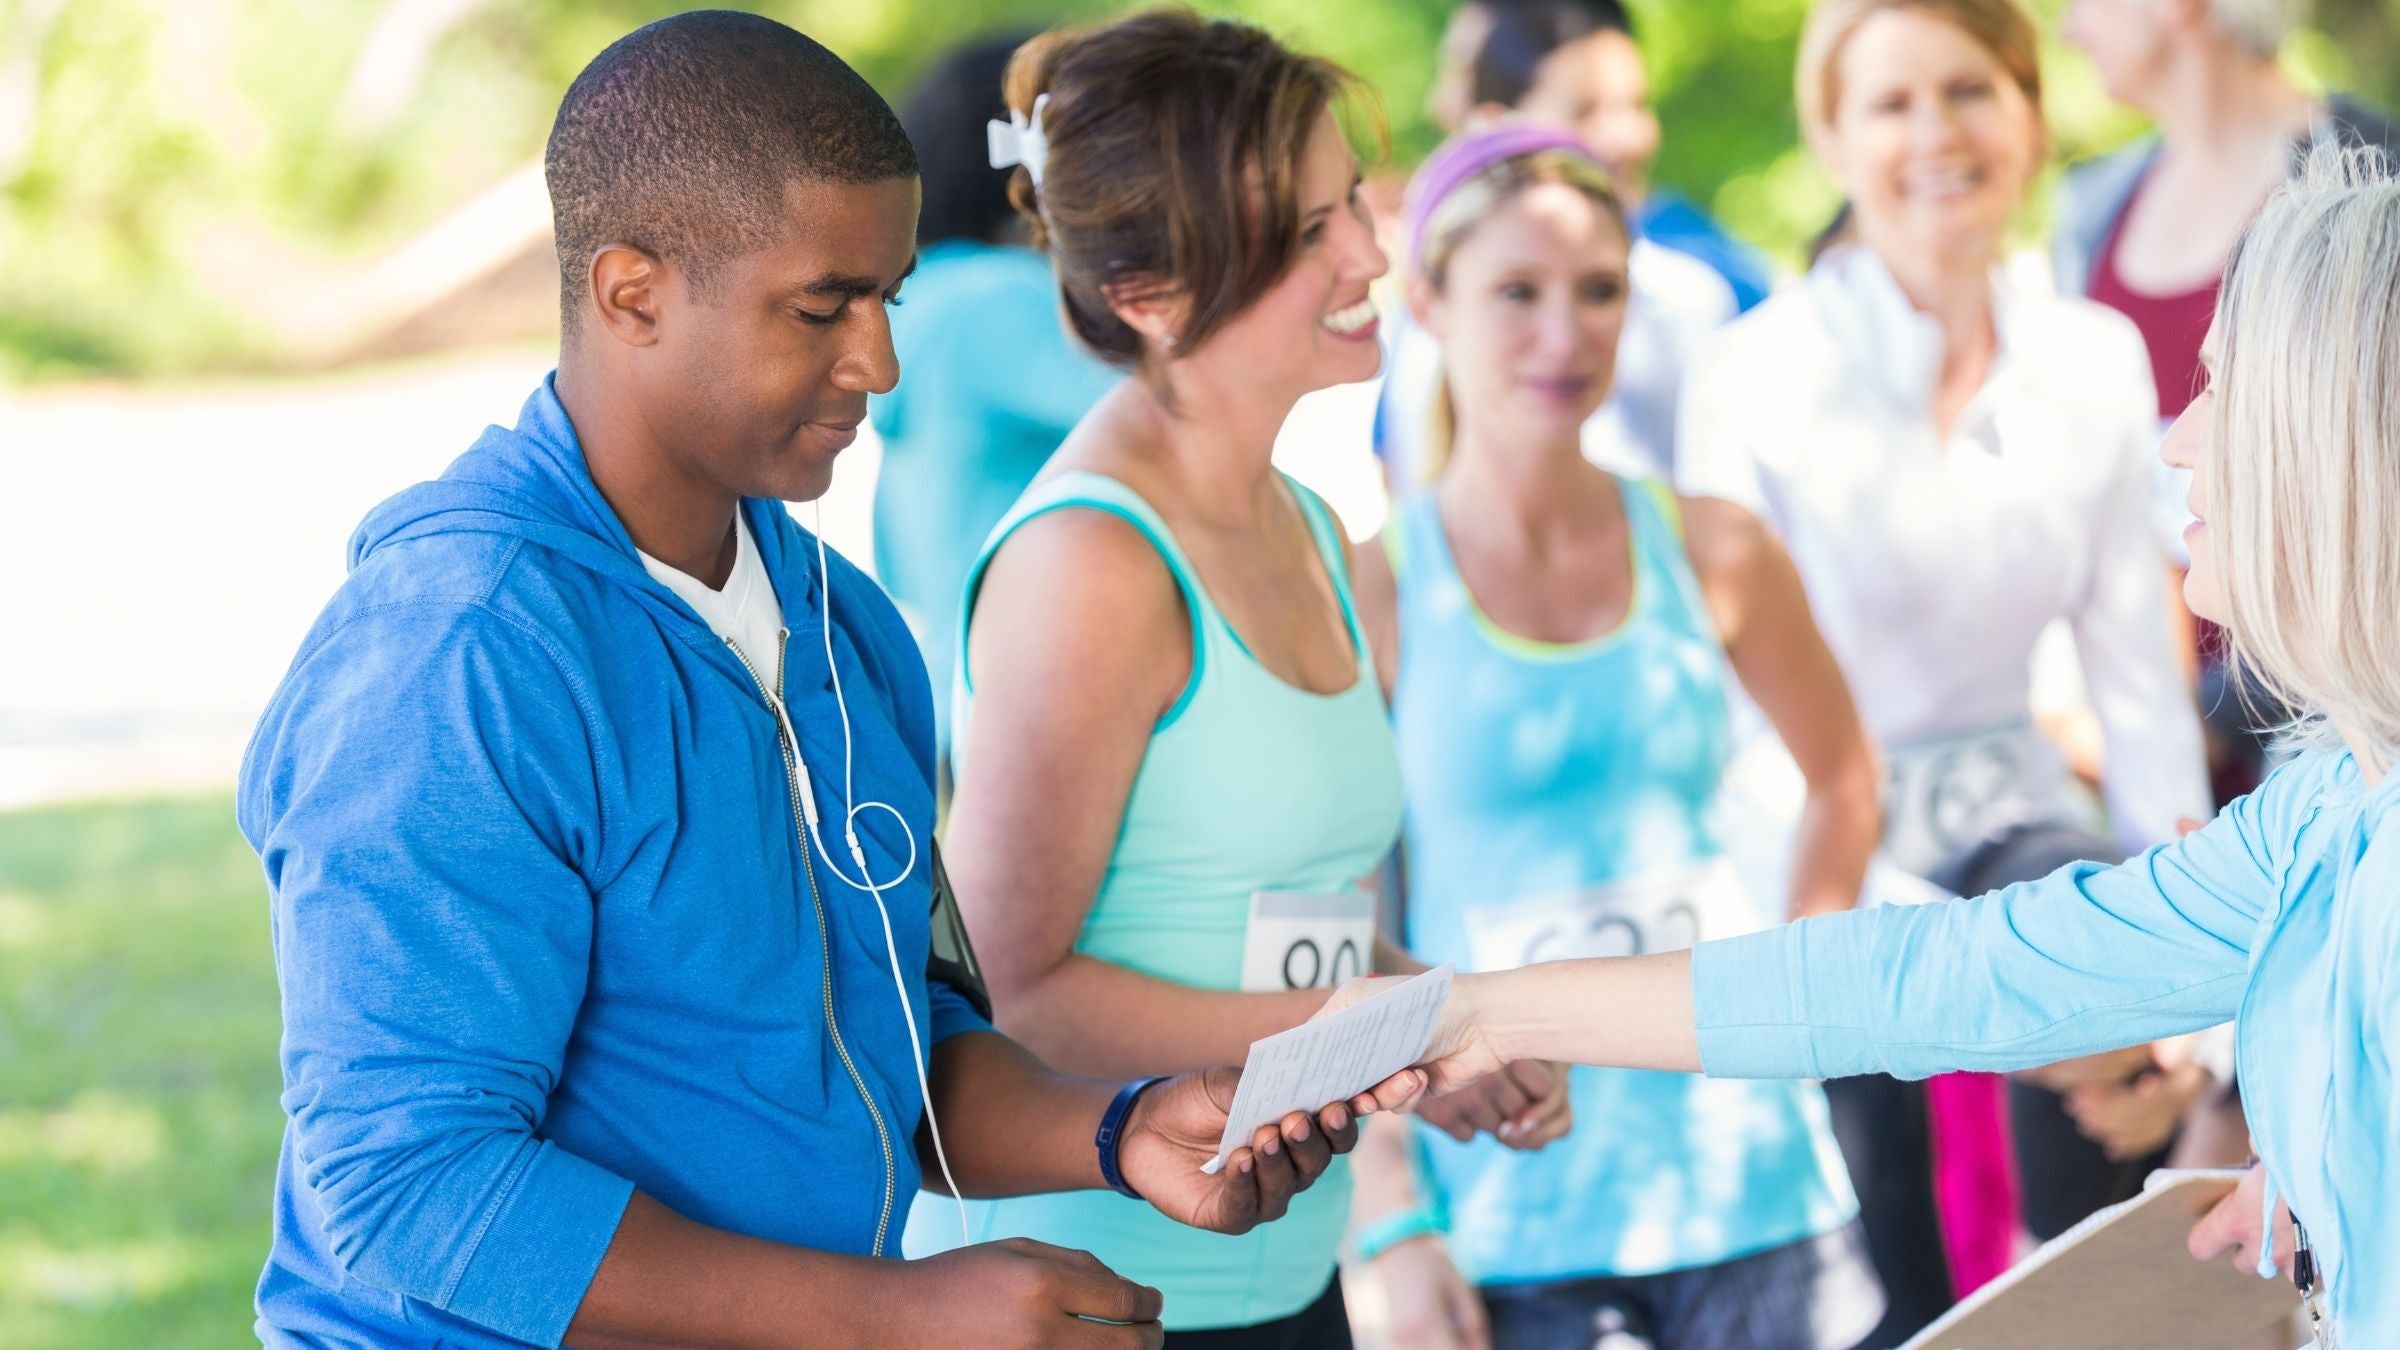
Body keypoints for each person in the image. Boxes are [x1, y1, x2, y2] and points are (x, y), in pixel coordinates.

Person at [235, 14, 1416, 1349]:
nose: (880, 364)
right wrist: (897, 1314)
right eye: (822, 307)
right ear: (633, 293)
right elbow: (407, 1185)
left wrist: (1119, 1125)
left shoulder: (842, 626)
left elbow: (897, 1046)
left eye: (888, 298)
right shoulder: (456, 654)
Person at [1334, 144, 2400, 1349]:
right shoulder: (2318, 808)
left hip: (1747, 1203)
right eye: (1516, 291)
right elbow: (1956, 974)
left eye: (2223, 393)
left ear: (2333, 443)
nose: (2177, 441)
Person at [900, 13, 1555, 1348]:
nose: (1371, 250)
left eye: (1355, 203)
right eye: (1310, 228)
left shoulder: (1309, 522)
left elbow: (1273, 906)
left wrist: (1423, 1009)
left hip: (1287, 1276)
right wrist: (1388, 1032)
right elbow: (1015, 990)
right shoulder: (1089, 561)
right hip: (1096, 1296)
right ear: (1149, 292)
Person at [1674, 0, 2209, 1338]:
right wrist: (1971, 981)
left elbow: (2140, 694)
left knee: (2097, 926)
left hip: (2010, 837)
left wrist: (2185, 988)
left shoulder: (2090, 360)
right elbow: (1728, 744)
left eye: (1968, 90)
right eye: (1890, 103)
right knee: (1892, 1272)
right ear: (1832, 137)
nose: (1935, 135)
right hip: (1811, 869)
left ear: (2029, 113)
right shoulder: (1752, 375)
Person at [1343, 125, 1887, 1350]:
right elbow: (1333, 913)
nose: (1565, 332)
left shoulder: (1714, 546)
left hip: (1752, 1182)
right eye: (1516, 292)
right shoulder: (1372, 586)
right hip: (1510, 1212)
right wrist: (1390, 1214)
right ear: (1425, 302)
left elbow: (1846, 779)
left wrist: (1797, 1002)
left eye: (1599, 292)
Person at [2055, 0, 2399, 808]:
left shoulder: (2375, 188)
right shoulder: (2089, 211)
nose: (2069, 29)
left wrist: (2218, 711)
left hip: (2341, 739)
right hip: (2155, 742)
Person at [868, 32, 1119, 766]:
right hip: (1046, 718)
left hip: (959, 709)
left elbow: (898, 562)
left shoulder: (919, 303)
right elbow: (1178, 415)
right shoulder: (1002, 304)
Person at [1380, 0, 1747, 488]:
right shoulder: (1422, 317)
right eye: (1585, 110)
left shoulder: (1699, 287)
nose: (1629, 137)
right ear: (1495, 126)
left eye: (1637, 105)